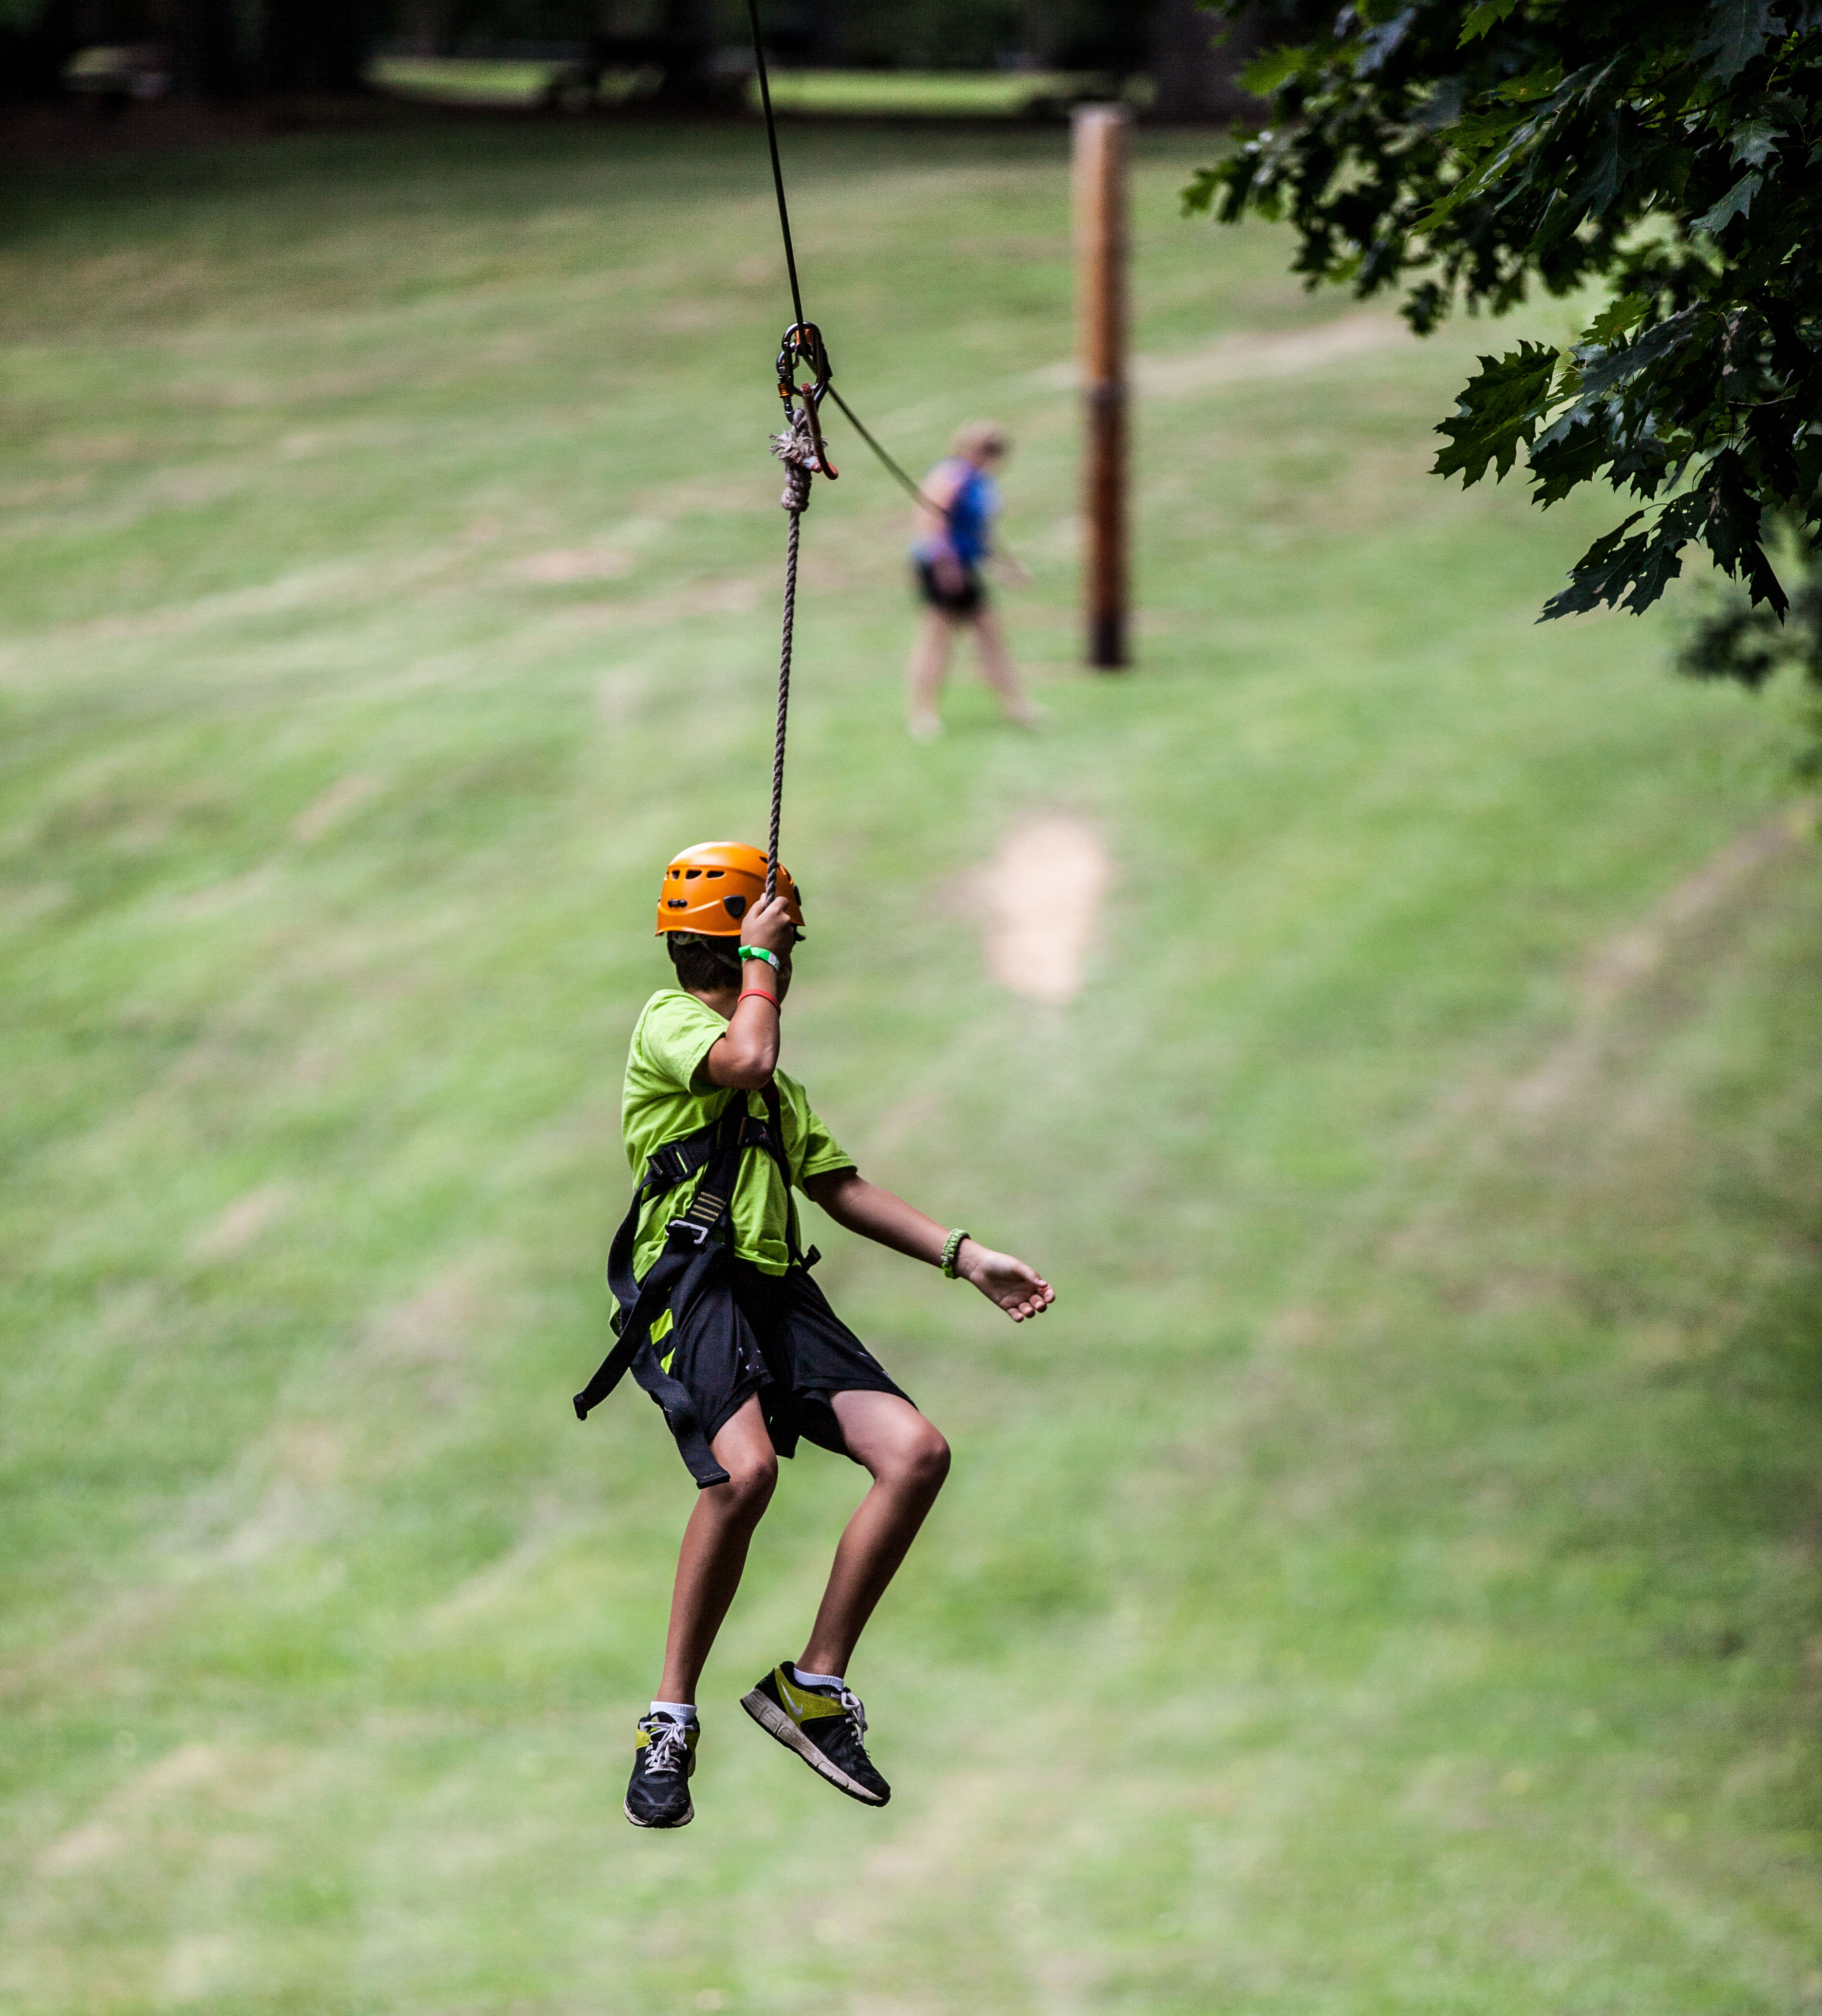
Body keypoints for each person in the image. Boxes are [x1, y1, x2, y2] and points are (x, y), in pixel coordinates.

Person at [576, 840, 1055, 1829]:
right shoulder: (669, 1023)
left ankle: (814, 1687)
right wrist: (761, 963)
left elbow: (839, 1189)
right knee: (745, 1474)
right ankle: (669, 1715)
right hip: (696, 1290)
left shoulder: (777, 1096)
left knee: (917, 1452)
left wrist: (966, 1256)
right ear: (750, 947)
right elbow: (744, 1053)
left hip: (777, 1294)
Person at [907, 420, 1045, 741]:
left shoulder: (980, 482)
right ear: (967, 448)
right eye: (984, 449)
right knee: (937, 638)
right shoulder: (952, 475)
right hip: (941, 566)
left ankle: (1016, 706)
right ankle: (923, 715)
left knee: (990, 637)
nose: (989, 456)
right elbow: (929, 522)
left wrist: (1006, 566)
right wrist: (947, 569)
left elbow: (981, 533)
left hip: (966, 565)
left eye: (995, 451)